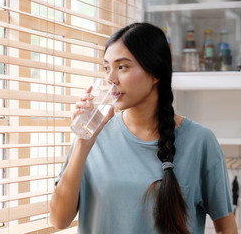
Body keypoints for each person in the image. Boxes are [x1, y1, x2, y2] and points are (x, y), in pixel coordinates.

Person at [49, 22, 237, 234]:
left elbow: (226, 228)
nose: (110, 79)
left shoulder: (200, 141)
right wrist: (83, 141)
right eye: (106, 68)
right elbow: (59, 220)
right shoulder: (92, 135)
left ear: (155, 73)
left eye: (122, 67)